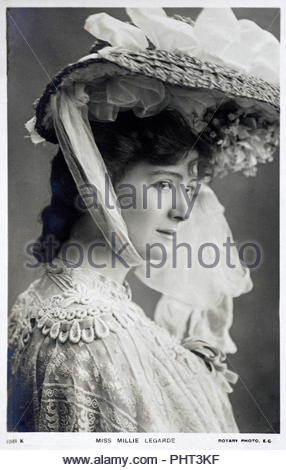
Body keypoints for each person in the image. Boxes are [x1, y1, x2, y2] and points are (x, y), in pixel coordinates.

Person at [8, 8, 279, 432]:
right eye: (163, 182)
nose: (182, 210)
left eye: (191, 187)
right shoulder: (85, 331)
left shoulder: (63, 301)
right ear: (95, 179)